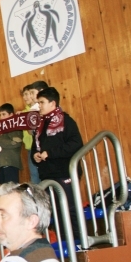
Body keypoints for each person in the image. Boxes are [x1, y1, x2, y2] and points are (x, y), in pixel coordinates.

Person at [31, 87, 84, 238]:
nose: (39, 106)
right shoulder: (40, 125)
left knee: (70, 208)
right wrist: (35, 156)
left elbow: (76, 144)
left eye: (42, 102)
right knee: (56, 211)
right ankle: (65, 242)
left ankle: (79, 241)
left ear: (53, 103)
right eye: (38, 103)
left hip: (64, 172)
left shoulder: (66, 121)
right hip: (47, 175)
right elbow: (35, 147)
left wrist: (50, 153)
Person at [0, 103, 23, 184]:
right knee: (5, 189)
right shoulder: (3, 128)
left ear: (11, 115)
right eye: (0, 115)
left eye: (4, 114)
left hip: (10, 162)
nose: (1, 117)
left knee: (11, 188)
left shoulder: (14, 127)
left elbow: (17, 142)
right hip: (3, 163)